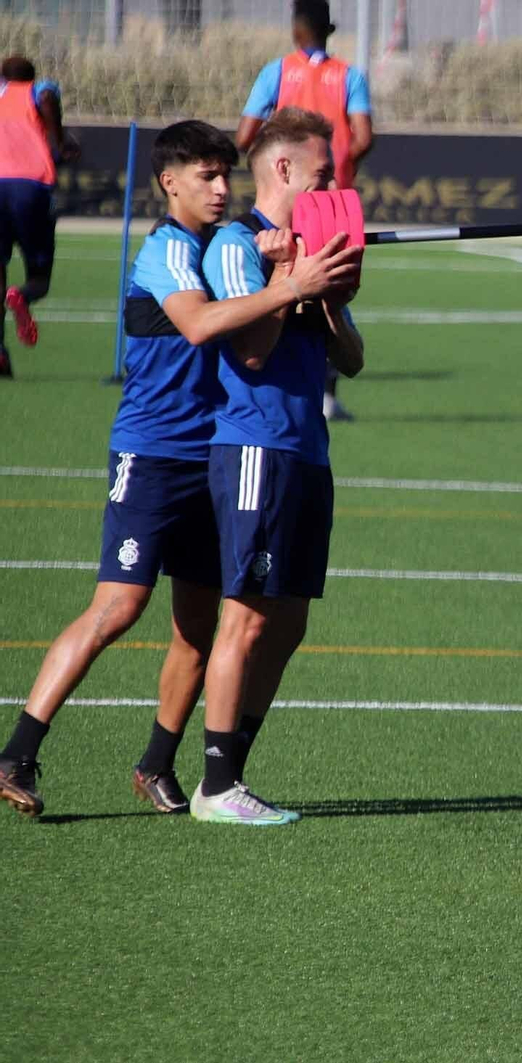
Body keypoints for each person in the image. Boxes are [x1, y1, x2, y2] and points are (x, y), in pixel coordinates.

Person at [0, 121, 358, 818]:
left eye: (227, 175)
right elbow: (201, 325)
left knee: (198, 627)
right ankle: (18, 749)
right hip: (155, 451)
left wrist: (286, 268)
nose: (222, 189)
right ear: (170, 183)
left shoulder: (233, 246)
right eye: (206, 177)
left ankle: (158, 763)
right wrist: (286, 276)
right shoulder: (168, 251)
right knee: (119, 605)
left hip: (214, 455)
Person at [192, 107, 364, 826]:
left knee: (288, 620)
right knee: (246, 617)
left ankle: (235, 768)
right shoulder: (235, 243)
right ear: (285, 169)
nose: (333, 183)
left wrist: (326, 295)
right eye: (324, 172)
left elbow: (351, 360)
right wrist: (291, 275)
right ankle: (215, 785)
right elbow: (253, 349)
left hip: (306, 451)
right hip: (256, 445)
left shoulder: (312, 245)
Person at [237, 0, 373, 423]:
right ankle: (327, 393)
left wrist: (272, 159)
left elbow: (245, 134)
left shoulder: (275, 72)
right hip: (335, 204)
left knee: (277, 279)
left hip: (287, 198)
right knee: (335, 292)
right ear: (329, 29)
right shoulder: (349, 75)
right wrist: (340, 170)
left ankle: (269, 376)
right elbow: (364, 137)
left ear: (296, 29)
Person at [0, 55, 77, 378]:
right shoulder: (39, 90)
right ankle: (24, 294)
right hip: (32, 186)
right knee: (40, 277)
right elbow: (47, 98)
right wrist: (60, 142)